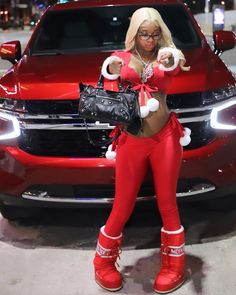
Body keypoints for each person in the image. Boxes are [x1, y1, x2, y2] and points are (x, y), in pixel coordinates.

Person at [93, 7, 191, 294]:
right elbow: (111, 68)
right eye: (144, 34)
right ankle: (103, 263)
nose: (150, 39)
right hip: (131, 140)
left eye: (154, 33)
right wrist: (111, 68)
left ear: (161, 32)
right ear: (134, 33)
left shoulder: (167, 53)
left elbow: (177, 60)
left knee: (168, 203)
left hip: (166, 139)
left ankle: (175, 266)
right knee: (122, 205)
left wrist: (171, 57)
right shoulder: (122, 57)